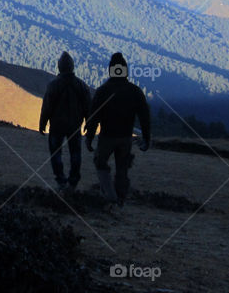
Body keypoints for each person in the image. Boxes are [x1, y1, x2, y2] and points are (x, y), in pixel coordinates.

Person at [85, 52, 151, 207]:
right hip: (126, 137)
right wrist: (146, 138)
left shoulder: (103, 91)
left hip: (107, 136)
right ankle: (120, 198)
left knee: (100, 162)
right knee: (122, 168)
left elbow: (94, 116)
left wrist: (89, 137)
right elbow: (144, 117)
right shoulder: (135, 91)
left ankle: (109, 195)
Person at [39, 51, 91, 191]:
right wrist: (88, 123)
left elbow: (47, 106)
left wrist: (42, 123)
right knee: (75, 153)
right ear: (72, 67)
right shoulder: (81, 85)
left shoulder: (53, 85)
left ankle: (61, 180)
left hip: (56, 126)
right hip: (75, 125)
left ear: (59, 67)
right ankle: (73, 181)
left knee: (56, 153)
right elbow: (88, 107)